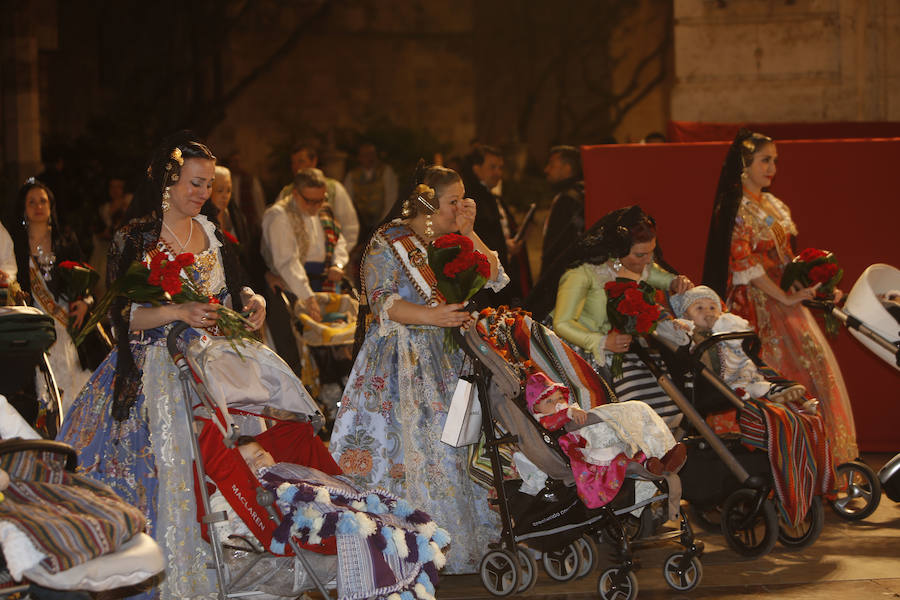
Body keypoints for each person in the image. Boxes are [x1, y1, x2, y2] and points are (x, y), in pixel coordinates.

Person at [57, 132, 267, 600]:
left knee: (223, 463)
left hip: (212, 369)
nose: (202, 193)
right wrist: (177, 312)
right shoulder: (137, 238)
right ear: (167, 183)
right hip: (154, 367)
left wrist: (254, 301)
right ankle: (162, 570)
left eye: (208, 185)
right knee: (163, 467)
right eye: (195, 183)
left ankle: (223, 564)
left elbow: (238, 288)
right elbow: (123, 315)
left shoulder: (215, 236)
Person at [329, 163, 508, 574]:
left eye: (464, 198)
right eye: (453, 201)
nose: (462, 206)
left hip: (448, 359)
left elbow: (495, 275)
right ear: (428, 202)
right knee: (413, 449)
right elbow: (382, 302)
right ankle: (409, 543)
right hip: (401, 362)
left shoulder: (449, 239)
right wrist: (436, 317)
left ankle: (464, 539)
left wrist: (467, 231)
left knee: (456, 446)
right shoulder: (388, 241)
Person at [702, 129, 858, 464]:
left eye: (775, 160)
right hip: (754, 303)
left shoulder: (772, 206)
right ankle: (770, 458)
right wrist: (784, 298)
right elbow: (744, 263)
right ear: (744, 164)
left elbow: (786, 258)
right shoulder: (737, 210)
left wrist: (816, 284)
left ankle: (815, 460)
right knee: (767, 374)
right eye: (765, 160)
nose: (772, 167)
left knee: (809, 369)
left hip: (782, 301)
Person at [548, 206, 693, 428]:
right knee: (629, 390)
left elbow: (655, 274)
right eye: (640, 255)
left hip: (628, 347)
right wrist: (601, 341)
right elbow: (562, 323)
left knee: (663, 380)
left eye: (651, 253)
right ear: (618, 250)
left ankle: (657, 436)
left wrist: (674, 282)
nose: (647, 260)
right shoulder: (582, 274)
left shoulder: (638, 266)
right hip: (589, 350)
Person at [10, 178, 92, 415]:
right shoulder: (16, 245)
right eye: (31, 202)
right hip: (36, 323)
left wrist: (85, 303)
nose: (38, 206)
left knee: (75, 381)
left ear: (50, 206)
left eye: (43, 201)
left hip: (68, 323)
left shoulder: (65, 240)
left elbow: (85, 280)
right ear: (23, 209)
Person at [667, 285, 810, 405]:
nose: (707, 312)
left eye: (712, 308)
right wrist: (679, 325)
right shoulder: (689, 328)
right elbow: (677, 332)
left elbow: (742, 333)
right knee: (742, 385)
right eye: (699, 308)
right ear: (685, 315)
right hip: (710, 380)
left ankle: (772, 391)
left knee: (752, 375)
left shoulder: (725, 325)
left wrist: (720, 324)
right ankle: (759, 391)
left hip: (737, 370)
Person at [526, 372, 685, 477]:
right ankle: (648, 464)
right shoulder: (545, 420)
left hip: (596, 435)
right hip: (584, 447)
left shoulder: (570, 409)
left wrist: (573, 412)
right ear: (536, 409)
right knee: (618, 452)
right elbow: (552, 423)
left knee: (632, 430)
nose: (558, 403)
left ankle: (663, 455)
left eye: (560, 397)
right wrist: (568, 413)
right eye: (549, 401)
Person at [262, 168, 349, 323]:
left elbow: (338, 240)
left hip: (325, 282)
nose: (316, 206)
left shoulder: (324, 209)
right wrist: (307, 296)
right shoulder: (279, 216)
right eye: (309, 201)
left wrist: (338, 264)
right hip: (291, 287)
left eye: (320, 200)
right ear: (295, 194)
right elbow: (287, 262)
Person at [465, 145, 530, 306]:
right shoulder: (471, 200)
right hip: (485, 282)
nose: (498, 173)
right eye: (492, 167)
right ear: (476, 169)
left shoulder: (491, 197)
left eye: (500, 168)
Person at [281, 142, 360, 252]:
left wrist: (338, 260)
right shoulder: (286, 192)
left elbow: (349, 226)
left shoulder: (334, 189)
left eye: (301, 161)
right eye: (293, 163)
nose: (296, 167)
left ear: (314, 161)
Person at [539, 145, 585, 279]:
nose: (546, 170)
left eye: (551, 165)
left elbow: (556, 247)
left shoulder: (567, 200)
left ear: (567, 168)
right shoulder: (580, 193)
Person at [342, 141, 398, 239]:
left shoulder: (386, 171)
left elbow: (391, 198)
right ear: (359, 157)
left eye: (371, 154)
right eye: (365, 155)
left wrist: (384, 222)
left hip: (382, 222)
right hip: (360, 224)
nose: (369, 158)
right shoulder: (352, 176)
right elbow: (347, 201)